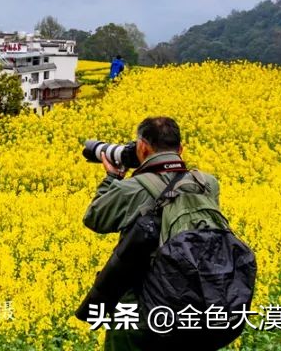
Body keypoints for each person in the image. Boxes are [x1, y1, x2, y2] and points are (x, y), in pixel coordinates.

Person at [82, 116, 220, 351]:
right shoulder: (207, 183)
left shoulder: (133, 189)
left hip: (142, 311)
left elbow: (94, 217)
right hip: (197, 304)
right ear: (180, 149)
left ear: (143, 147)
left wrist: (112, 177)